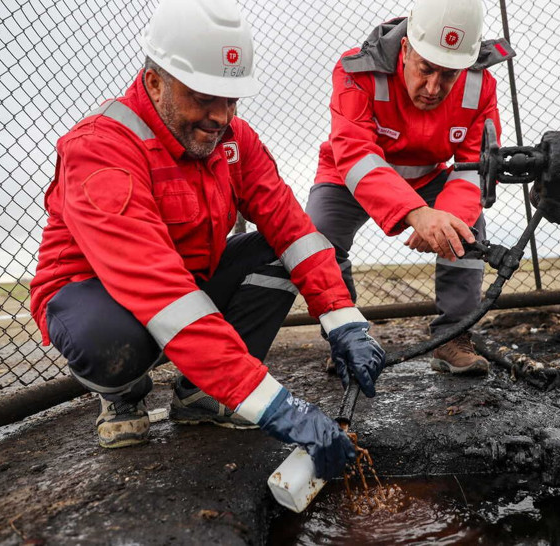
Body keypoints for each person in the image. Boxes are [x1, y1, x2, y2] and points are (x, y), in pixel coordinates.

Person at [28, 0, 385, 481]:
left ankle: (202, 394)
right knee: (108, 337)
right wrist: (275, 406)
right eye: (203, 97)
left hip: (187, 284)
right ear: (155, 82)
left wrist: (344, 322)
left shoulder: (234, 139)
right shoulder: (102, 148)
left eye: (231, 99)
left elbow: (293, 229)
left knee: (281, 252)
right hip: (100, 294)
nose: (221, 116)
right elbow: (159, 289)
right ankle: (122, 393)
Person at [306, 0, 515, 376]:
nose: (434, 88)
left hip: (428, 177)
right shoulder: (357, 70)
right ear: (405, 49)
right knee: (318, 236)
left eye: (449, 74)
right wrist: (415, 213)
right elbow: (354, 153)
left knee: (466, 229)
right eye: (426, 69)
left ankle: (453, 337)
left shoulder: (480, 85)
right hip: (348, 176)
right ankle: (345, 338)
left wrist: (445, 217)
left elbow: (476, 166)